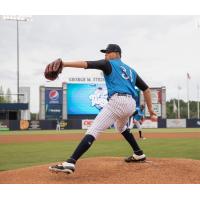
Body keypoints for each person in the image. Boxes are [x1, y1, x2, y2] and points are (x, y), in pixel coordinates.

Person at [46, 44, 157, 174]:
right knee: (120, 127)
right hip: (131, 103)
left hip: (118, 101)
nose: (105, 55)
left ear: (115, 53)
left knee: (94, 129)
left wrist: (64, 63)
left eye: (107, 52)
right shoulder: (131, 70)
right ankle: (138, 153)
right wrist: (150, 110)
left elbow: (86, 64)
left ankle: (70, 162)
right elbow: (146, 89)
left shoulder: (108, 64)